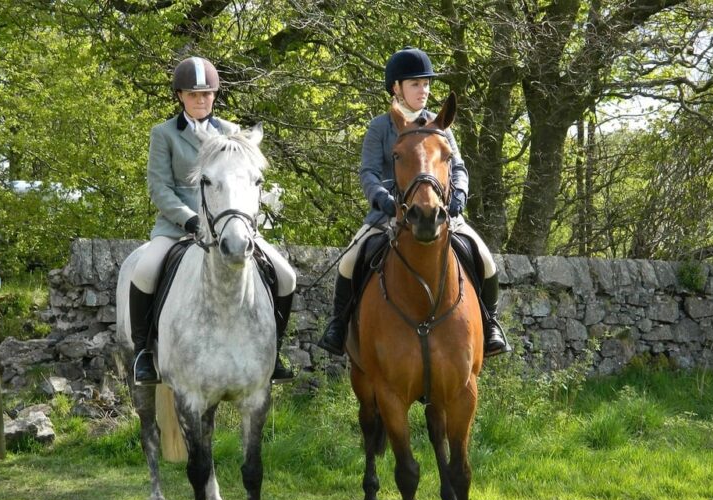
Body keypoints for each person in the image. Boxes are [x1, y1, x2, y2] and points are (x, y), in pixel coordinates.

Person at [317, 47, 510, 357]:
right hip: (389, 214)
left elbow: (456, 166)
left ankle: (490, 326)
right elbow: (367, 171)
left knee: (483, 257)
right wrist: (381, 199)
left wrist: (459, 193)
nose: (424, 91)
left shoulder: (439, 123)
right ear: (397, 87)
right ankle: (339, 326)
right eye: (415, 84)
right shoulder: (380, 127)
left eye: (426, 84)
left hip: (438, 210)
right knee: (349, 260)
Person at [129, 56, 297, 385]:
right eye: (194, 94)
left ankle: (274, 351)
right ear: (180, 96)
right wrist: (190, 220)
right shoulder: (164, 134)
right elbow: (159, 187)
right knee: (144, 270)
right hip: (178, 228)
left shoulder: (232, 133)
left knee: (286, 275)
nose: (201, 100)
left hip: (230, 225)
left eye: (207, 94)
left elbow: (246, 181)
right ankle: (143, 353)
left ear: (214, 96)